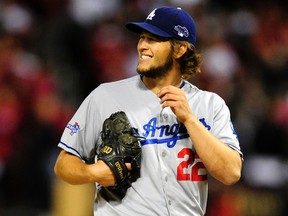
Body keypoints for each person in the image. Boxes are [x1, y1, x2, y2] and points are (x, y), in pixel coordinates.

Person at [54, 6, 243, 216]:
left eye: (153, 39)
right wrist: (91, 172)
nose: (142, 46)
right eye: (142, 38)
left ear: (180, 49)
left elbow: (231, 173)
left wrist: (190, 120)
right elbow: (63, 164)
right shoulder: (105, 97)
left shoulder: (209, 105)